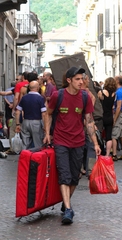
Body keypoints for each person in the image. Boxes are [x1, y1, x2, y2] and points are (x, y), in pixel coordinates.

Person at [43, 67, 101, 224]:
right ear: (69, 80)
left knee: (75, 177)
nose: (81, 82)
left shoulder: (85, 97)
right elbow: (48, 113)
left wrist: (95, 143)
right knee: (64, 175)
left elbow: (89, 121)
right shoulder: (58, 95)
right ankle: (68, 210)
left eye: (82, 79)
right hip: (61, 141)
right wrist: (48, 133)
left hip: (78, 142)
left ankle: (65, 203)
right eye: (77, 79)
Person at [15, 81, 46, 149]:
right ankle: (37, 158)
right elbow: (43, 113)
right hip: (37, 122)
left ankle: (24, 158)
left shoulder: (24, 98)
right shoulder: (40, 98)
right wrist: (45, 125)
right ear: (38, 88)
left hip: (25, 122)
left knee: (25, 144)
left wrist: (17, 124)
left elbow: (17, 111)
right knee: (38, 144)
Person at [97, 77, 116, 157]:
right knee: (109, 136)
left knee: (99, 134)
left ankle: (100, 152)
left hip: (102, 115)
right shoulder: (114, 94)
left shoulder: (102, 92)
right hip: (110, 116)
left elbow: (98, 103)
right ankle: (107, 154)